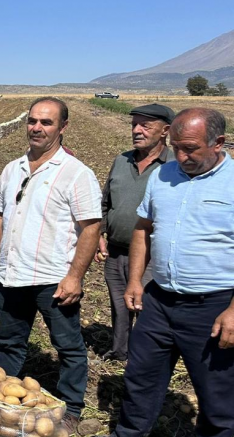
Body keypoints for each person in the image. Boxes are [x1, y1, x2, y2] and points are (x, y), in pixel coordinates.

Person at [102, 108, 234, 437]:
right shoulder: (164, 175)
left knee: (218, 400)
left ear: (218, 142)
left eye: (191, 148)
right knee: (139, 381)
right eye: (176, 147)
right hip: (159, 301)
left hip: (213, 306)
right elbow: (142, 229)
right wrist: (134, 280)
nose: (181, 155)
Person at [0, 97, 101, 431]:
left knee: (68, 345)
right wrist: (0, 262)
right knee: (9, 341)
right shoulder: (13, 168)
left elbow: (91, 227)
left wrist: (75, 276)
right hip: (12, 275)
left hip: (53, 278)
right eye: (33, 120)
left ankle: (72, 408)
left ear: (63, 127)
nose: (37, 128)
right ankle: (3, 399)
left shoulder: (76, 173)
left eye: (47, 122)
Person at [94, 103, 174, 362]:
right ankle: (119, 353)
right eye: (133, 125)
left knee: (147, 308)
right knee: (119, 305)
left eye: (145, 126)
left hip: (154, 254)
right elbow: (106, 202)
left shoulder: (175, 166)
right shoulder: (122, 160)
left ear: (165, 131)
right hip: (117, 250)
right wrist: (100, 233)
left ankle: (146, 359)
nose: (137, 131)